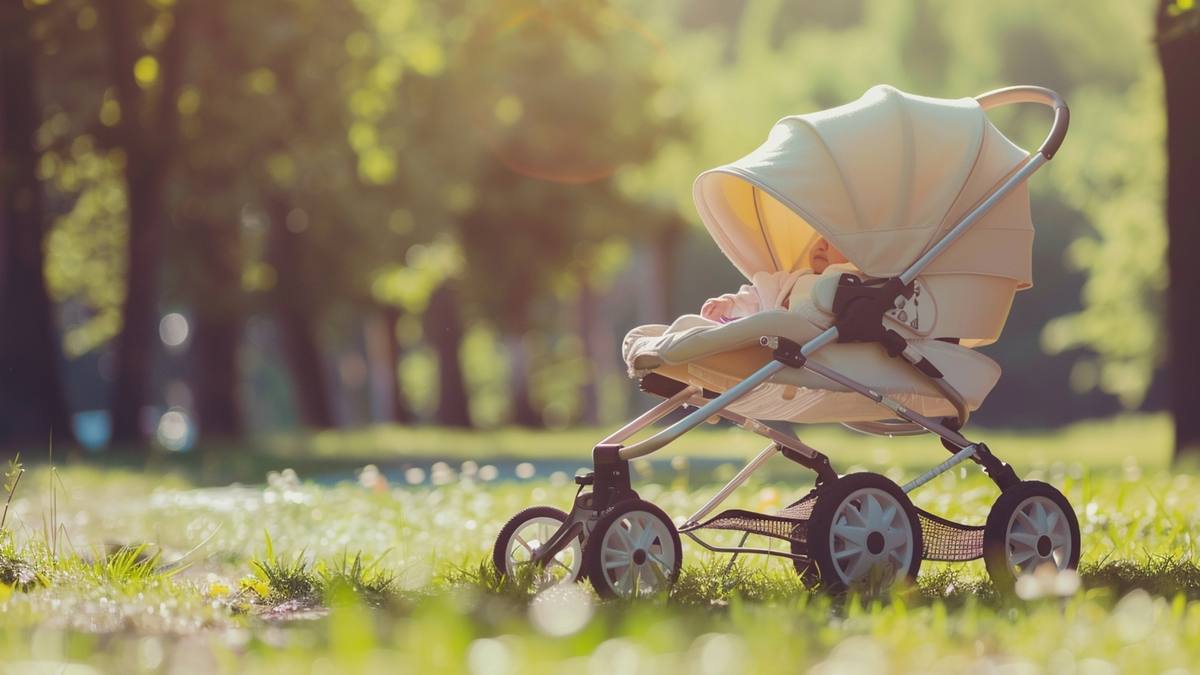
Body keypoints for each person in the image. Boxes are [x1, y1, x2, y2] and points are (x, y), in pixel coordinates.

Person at [700, 237, 849, 322]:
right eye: (820, 237)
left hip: (799, 341)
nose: (822, 245)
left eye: (834, 241)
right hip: (762, 328)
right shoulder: (792, 278)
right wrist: (729, 304)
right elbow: (758, 292)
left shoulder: (848, 289)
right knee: (688, 325)